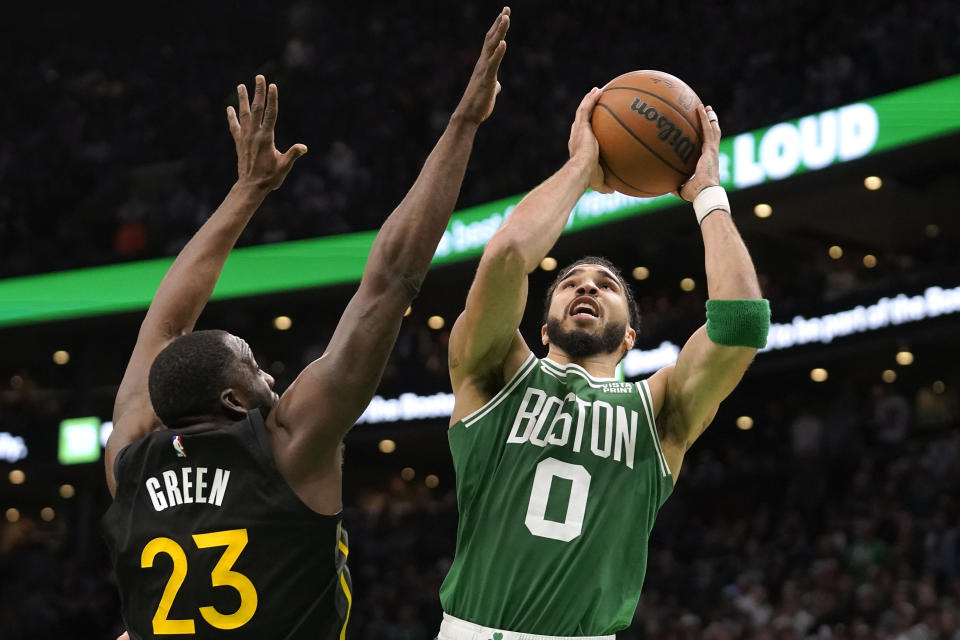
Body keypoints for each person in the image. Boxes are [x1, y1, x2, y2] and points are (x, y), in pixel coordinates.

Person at [101, 8, 510, 639]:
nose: (272, 373)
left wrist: (247, 192)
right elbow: (392, 278)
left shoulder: (129, 459)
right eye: (255, 363)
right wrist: (465, 122)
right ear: (234, 398)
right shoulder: (290, 446)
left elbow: (163, 327)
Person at [438, 89, 770, 638]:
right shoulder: (496, 372)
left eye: (606, 285)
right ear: (542, 330)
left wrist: (707, 191)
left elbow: (741, 327)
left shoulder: (659, 409)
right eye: (569, 282)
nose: (587, 284)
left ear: (629, 337)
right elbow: (506, 256)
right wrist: (582, 166)